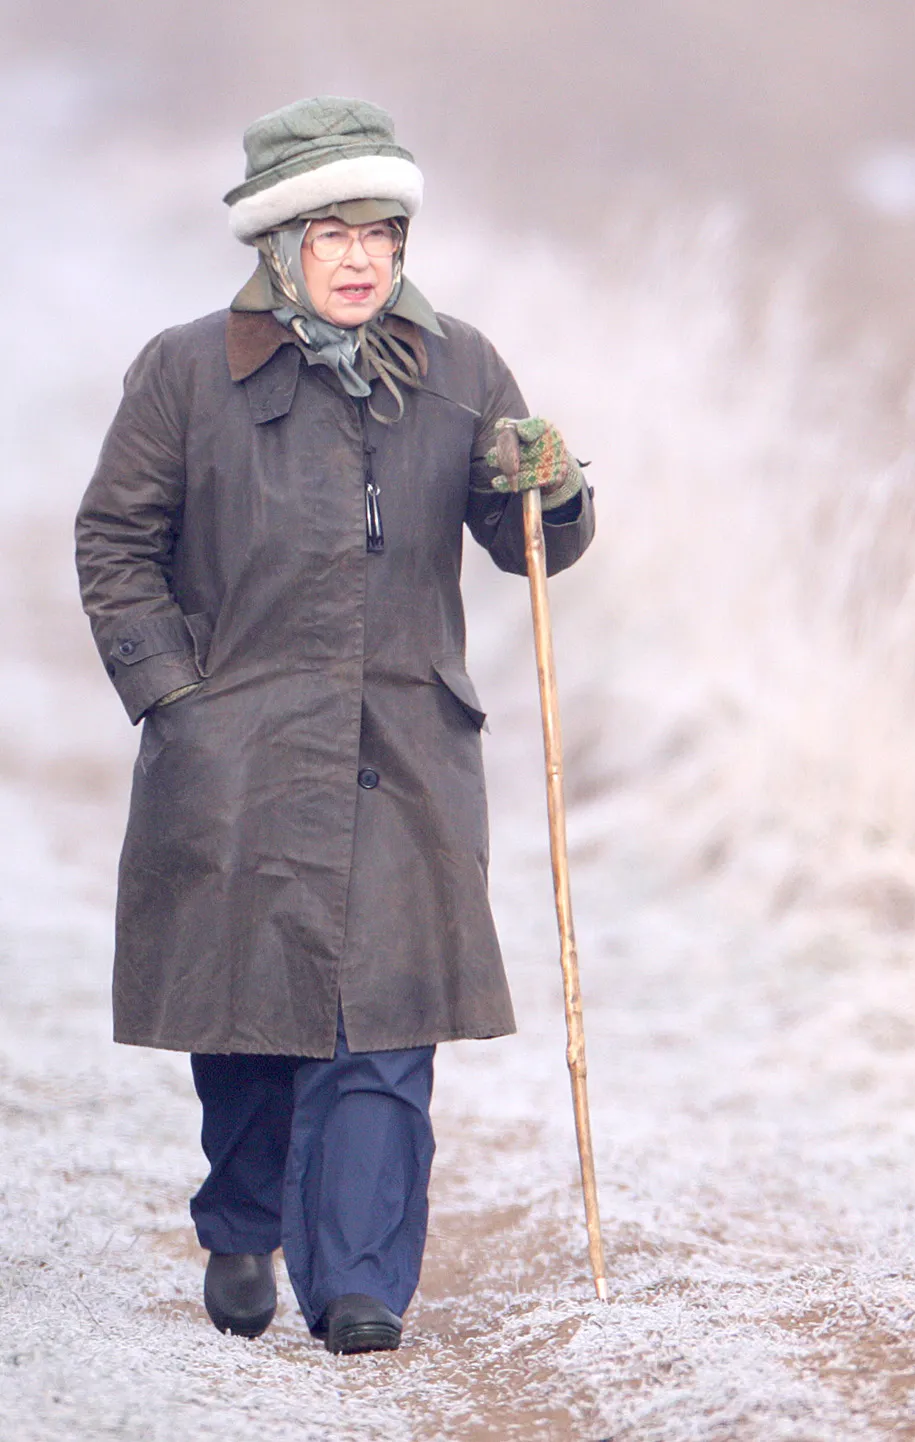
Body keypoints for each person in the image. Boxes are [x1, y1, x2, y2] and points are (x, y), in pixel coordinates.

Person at [75, 96, 594, 1355]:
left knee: (388, 1021)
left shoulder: (461, 366)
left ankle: (361, 1283)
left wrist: (557, 489)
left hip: (408, 747)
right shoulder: (184, 369)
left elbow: (531, 545)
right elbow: (114, 542)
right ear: (277, 245)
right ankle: (244, 1219)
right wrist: (174, 700)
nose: (362, 257)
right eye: (332, 232)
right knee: (249, 1025)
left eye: (383, 231)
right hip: (235, 750)